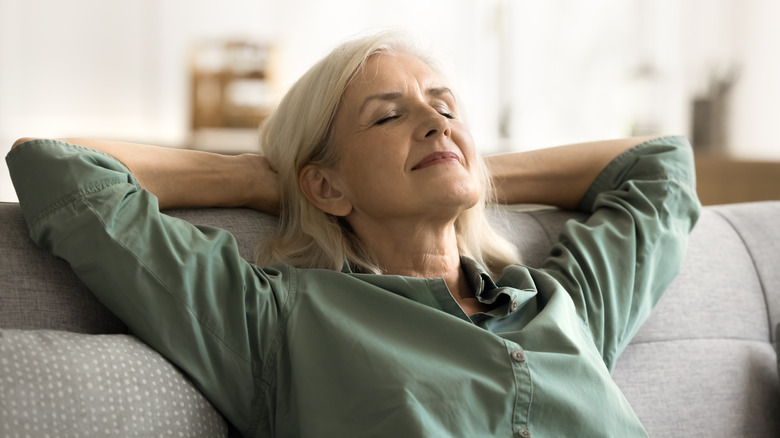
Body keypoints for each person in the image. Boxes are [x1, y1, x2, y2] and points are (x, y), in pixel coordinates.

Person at [7, 31, 700, 437]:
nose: (436, 122)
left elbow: (660, 168)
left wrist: (466, 167)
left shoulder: (560, 305)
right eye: (388, 117)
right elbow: (59, 169)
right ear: (326, 186)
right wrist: (265, 179)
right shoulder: (279, 321)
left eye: (446, 107)